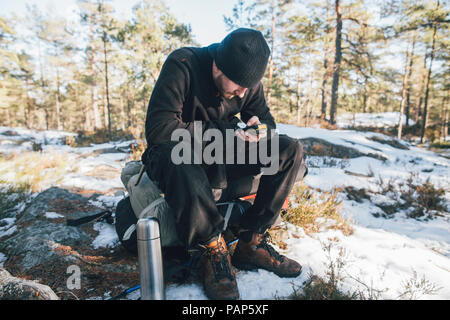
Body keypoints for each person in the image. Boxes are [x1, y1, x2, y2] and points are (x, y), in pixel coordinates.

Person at [142, 28, 305, 300]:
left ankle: (251, 242)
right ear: (218, 66)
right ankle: (212, 249)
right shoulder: (183, 65)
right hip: (175, 157)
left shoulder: (247, 83)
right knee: (178, 155)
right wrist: (222, 133)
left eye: (248, 88)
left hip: (221, 151)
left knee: (289, 149)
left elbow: (266, 120)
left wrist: (260, 128)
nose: (243, 94)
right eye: (238, 86)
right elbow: (159, 130)